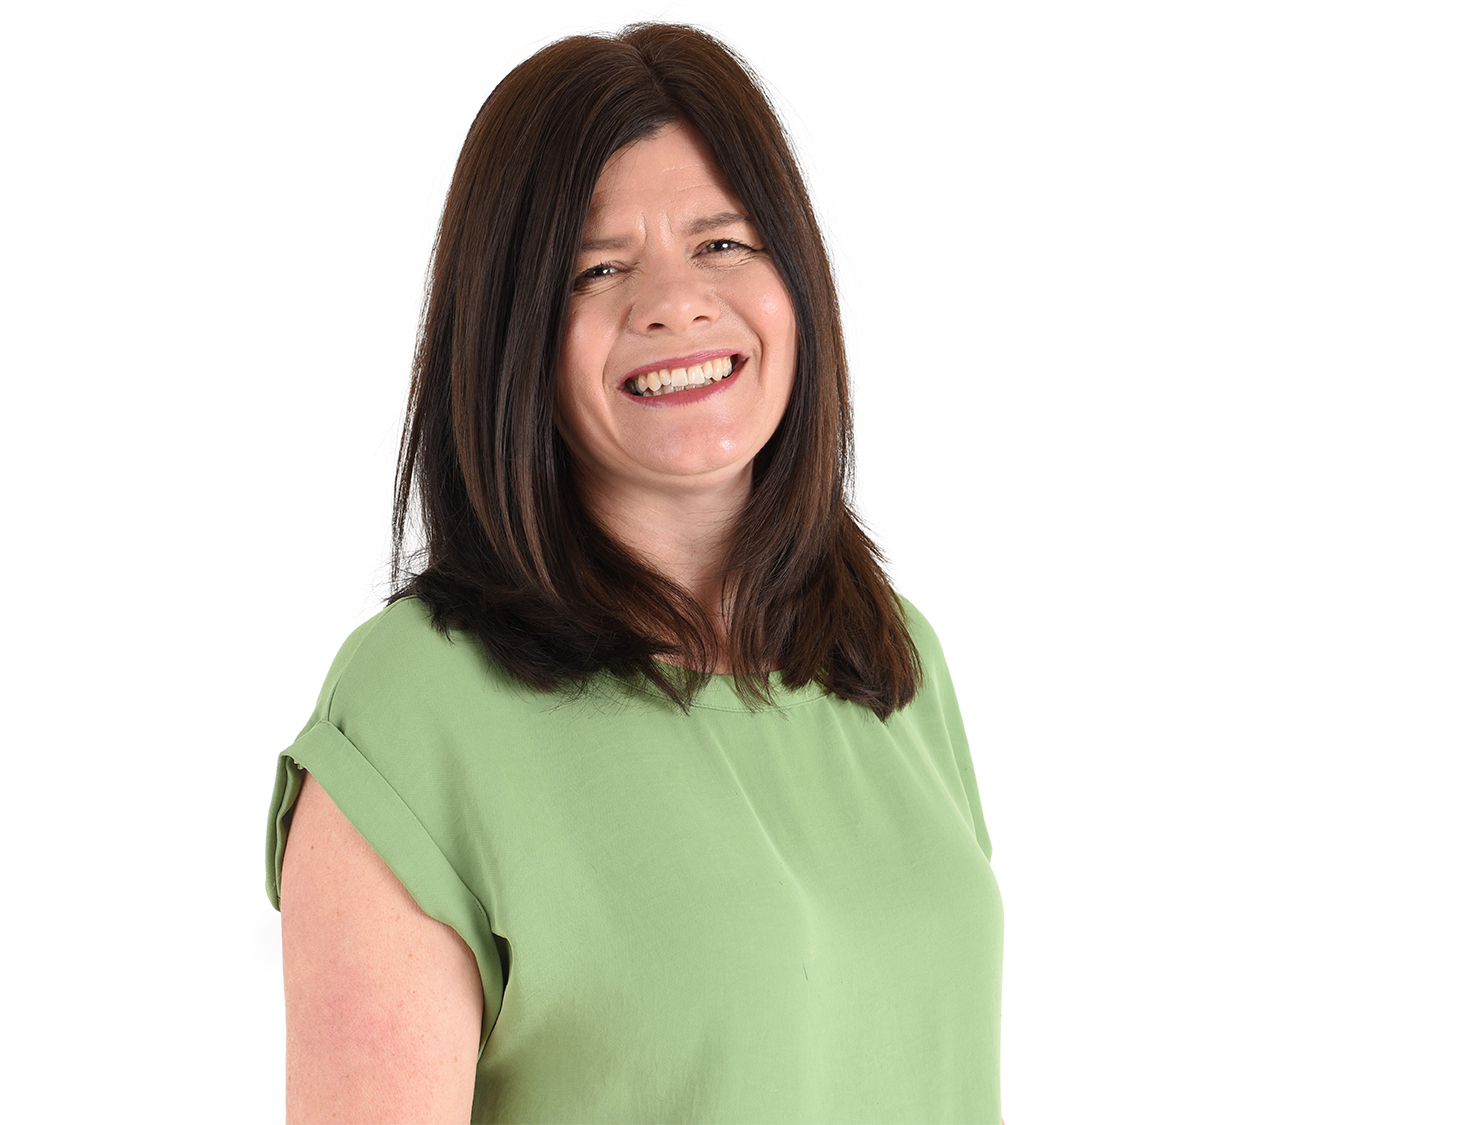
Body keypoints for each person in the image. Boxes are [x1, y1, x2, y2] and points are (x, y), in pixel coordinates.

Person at [266, 22, 1003, 1124]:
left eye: (724, 245)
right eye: (597, 270)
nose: (673, 303)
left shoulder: (893, 662)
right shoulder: (415, 715)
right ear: (513, 336)